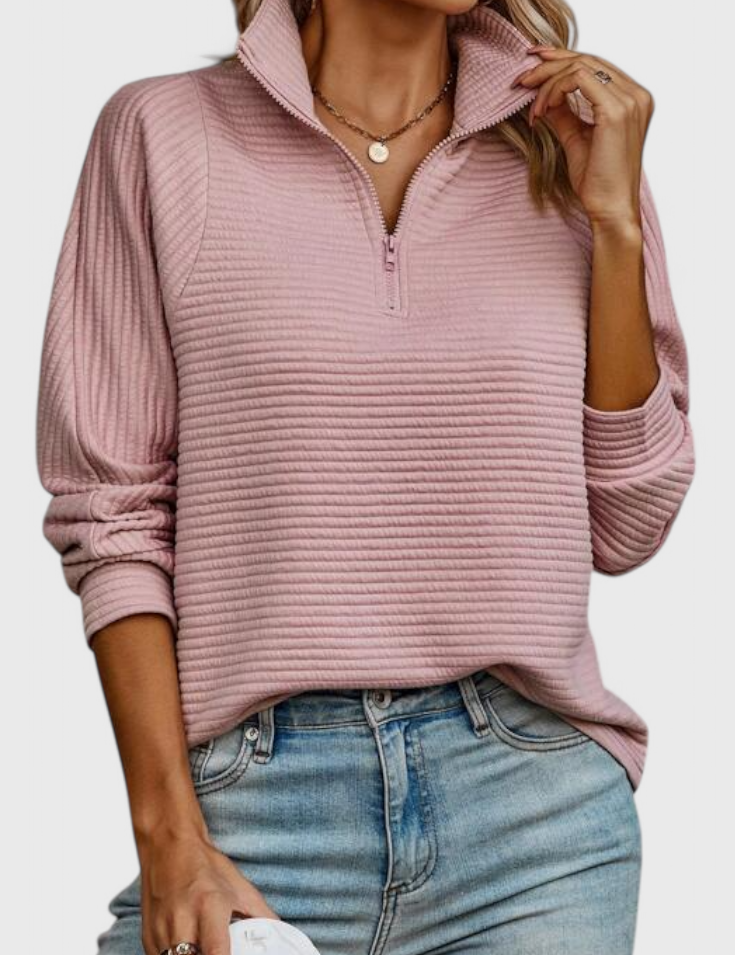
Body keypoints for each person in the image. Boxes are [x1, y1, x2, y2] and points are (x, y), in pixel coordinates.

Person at [35, 0, 695, 953]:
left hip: (532, 826)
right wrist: (168, 833)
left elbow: (628, 523)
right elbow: (113, 515)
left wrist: (616, 224)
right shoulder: (162, 134)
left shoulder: (570, 151)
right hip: (250, 814)